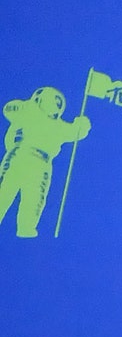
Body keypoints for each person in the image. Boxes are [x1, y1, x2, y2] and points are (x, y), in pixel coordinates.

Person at [1, 87, 91, 238]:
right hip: (20, 154)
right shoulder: (28, 111)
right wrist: (26, 106)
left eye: (58, 103)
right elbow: (9, 109)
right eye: (53, 100)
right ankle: (24, 227)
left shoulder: (58, 125)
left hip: (42, 163)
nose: (55, 105)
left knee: (35, 197)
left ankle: (26, 228)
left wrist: (82, 125)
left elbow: (74, 132)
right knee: (5, 189)